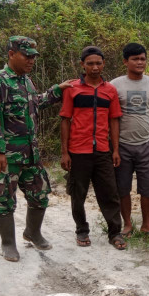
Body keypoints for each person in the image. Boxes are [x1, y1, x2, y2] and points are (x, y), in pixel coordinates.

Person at [0, 35, 72, 262]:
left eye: (33, 56)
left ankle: (32, 233)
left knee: (40, 194)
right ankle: (8, 244)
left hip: (30, 153)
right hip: (7, 155)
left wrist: (56, 91)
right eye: (27, 55)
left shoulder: (26, 81)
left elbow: (35, 103)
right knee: (3, 199)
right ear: (12, 54)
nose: (31, 60)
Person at [60, 46, 127, 250]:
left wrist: (115, 150)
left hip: (102, 151)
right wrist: (65, 153)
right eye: (90, 63)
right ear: (82, 65)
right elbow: (65, 119)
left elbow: (114, 120)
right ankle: (82, 230)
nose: (95, 67)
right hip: (78, 151)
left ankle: (115, 233)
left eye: (98, 63)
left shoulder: (110, 91)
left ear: (103, 64)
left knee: (109, 192)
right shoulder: (72, 89)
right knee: (78, 194)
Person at [110, 43, 149, 243]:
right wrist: (114, 147)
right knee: (122, 188)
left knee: (148, 188)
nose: (140, 62)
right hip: (122, 146)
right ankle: (127, 224)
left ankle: (147, 225)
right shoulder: (115, 85)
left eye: (142, 58)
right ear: (125, 61)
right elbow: (110, 117)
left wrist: (148, 124)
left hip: (146, 145)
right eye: (135, 59)